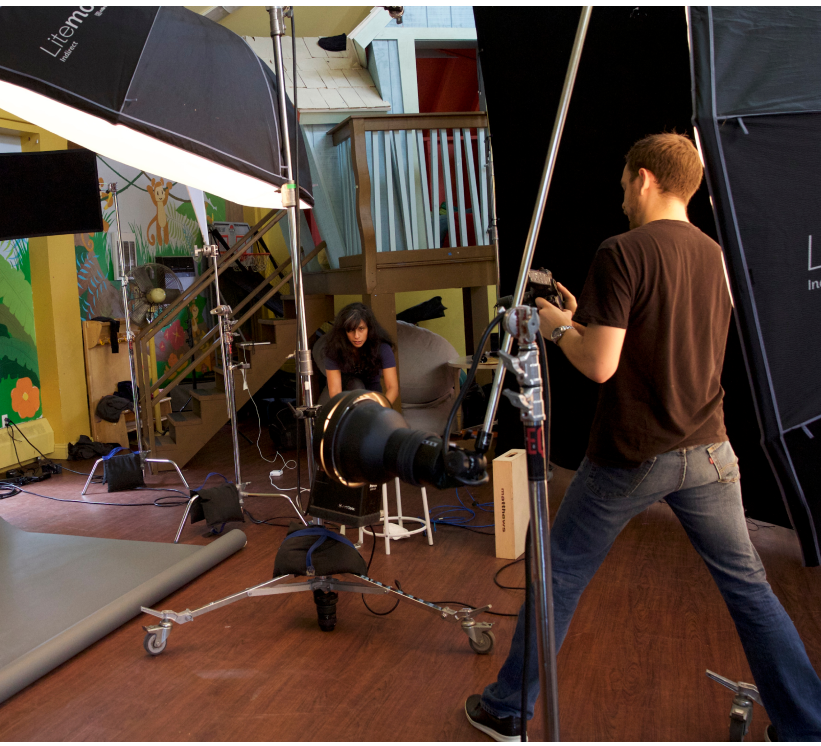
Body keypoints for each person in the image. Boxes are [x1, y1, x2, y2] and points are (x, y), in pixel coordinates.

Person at [464, 133, 821, 741]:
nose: (622, 195)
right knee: (749, 589)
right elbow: (660, 340)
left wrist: (556, 329)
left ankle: (506, 711)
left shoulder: (621, 250)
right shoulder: (716, 254)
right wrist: (581, 318)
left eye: (625, 182)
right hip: (710, 450)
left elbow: (600, 365)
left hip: (633, 454)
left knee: (559, 574)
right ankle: (806, 726)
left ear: (646, 178)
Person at [321, 302, 399, 404]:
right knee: (356, 384)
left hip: (373, 397)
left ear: (369, 329)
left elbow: (392, 388)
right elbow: (335, 392)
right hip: (346, 397)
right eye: (350, 330)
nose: (356, 336)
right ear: (343, 331)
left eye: (361, 329)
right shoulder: (335, 349)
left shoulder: (382, 348)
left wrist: (381, 409)